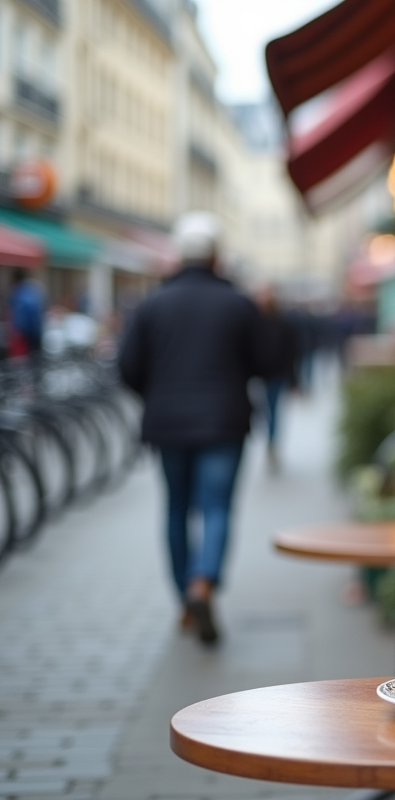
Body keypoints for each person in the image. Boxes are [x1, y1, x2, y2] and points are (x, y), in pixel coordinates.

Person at [118, 211, 264, 645]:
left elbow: (127, 367)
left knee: (176, 507)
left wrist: (158, 395)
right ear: (217, 256)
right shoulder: (238, 303)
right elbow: (262, 362)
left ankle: (184, 596)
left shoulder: (152, 304)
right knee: (216, 506)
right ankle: (204, 581)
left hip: (168, 423)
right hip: (223, 420)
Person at [254, 285, 298, 472]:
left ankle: (271, 443)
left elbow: (290, 353)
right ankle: (270, 442)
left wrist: (293, 377)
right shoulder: (255, 323)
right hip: (261, 375)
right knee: (267, 411)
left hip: (273, 375)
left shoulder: (282, 323)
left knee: (271, 410)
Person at [8, 270, 45, 357]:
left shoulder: (18, 293)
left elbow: (20, 317)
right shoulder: (33, 289)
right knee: (36, 357)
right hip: (36, 330)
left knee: (26, 359)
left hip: (26, 333)